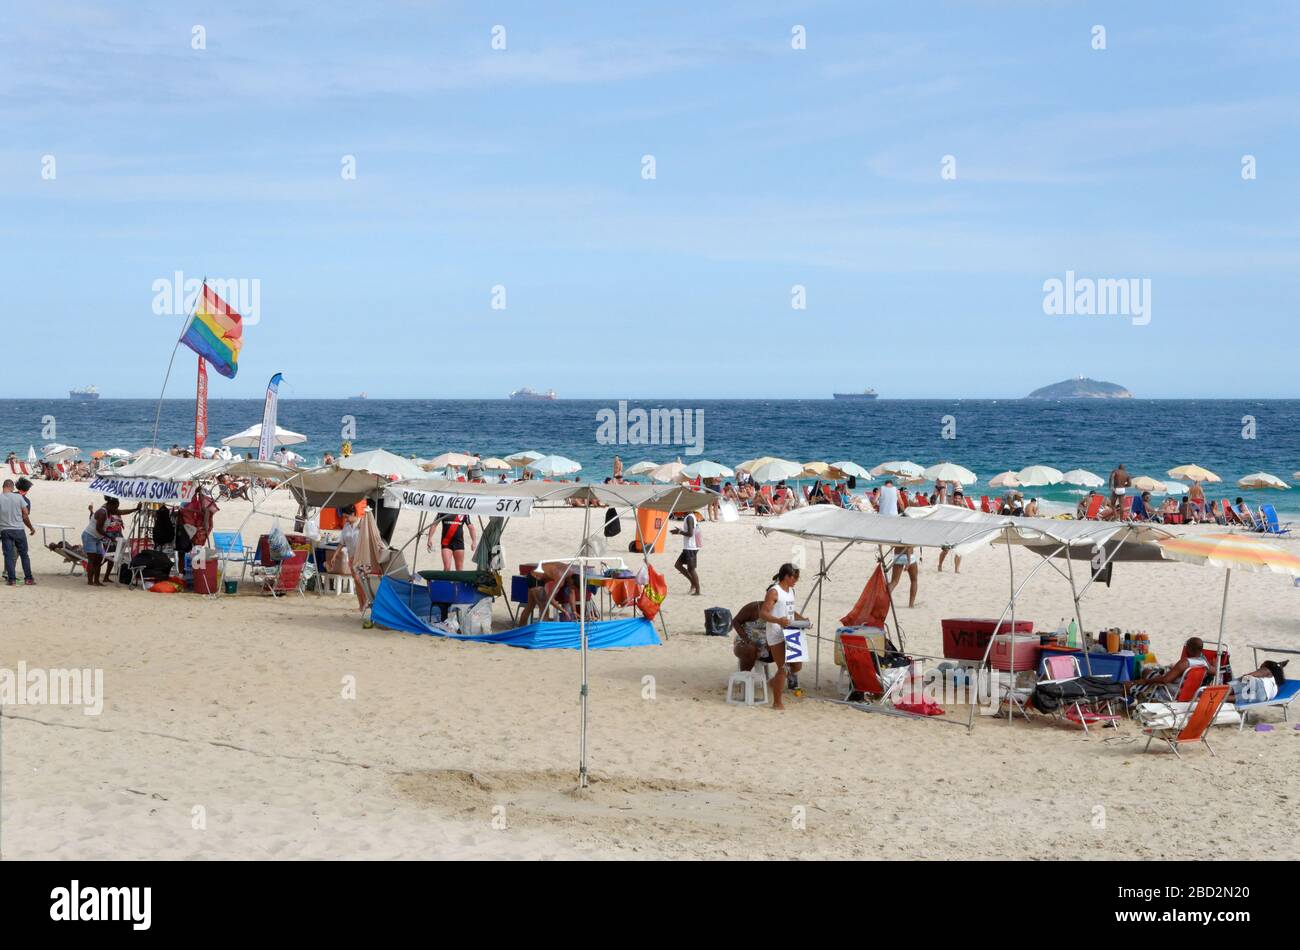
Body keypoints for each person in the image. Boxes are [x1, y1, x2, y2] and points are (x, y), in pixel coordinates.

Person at [758, 564, 806, 710]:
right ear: (787, 576)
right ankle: (777, 703)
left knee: (797, 665)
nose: (796, 580)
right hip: (776, 633)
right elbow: (763, 614)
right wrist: (778, 621)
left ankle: (773, 682)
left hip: (791, 631)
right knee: (783, 667)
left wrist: (803, 620)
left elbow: (790, 610)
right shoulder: (774, 592)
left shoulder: (791, 591)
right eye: (795, 577)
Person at [1127, 637, 1211, 699]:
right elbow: (1214, 671)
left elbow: (1165, 680)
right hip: (1185, 693)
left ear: (1189, 648)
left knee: (1127, 685)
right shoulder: (1204, 663)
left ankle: (1130, 701)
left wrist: (1145, 681)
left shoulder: (1185, 662)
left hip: (1167, 692)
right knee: (1146, 671)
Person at [82, 496, 138, 586]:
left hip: (97, 538)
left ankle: (96, 581)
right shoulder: (102, 513)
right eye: (115, 507)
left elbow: (122, 512)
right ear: (110, 505)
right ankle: (90, 581)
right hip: (89, 536)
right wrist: (110, 537)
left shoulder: (110, 510)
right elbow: (98, 528)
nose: (116, 509)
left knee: (99, 559)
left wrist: (135, 509)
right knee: (92, 559)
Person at [1, 479, 36, 586]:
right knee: (24, 555)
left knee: (8, 555)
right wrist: (30, 527)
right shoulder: (19, 497)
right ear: (12, 487)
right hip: (19, 530)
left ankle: (11, 580)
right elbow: (25, 514)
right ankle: (28, 579)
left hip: (5, 530)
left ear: (3, 486)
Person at [671, 510, 701, 595]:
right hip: (690, 546)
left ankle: (697, 590)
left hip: (691, 547)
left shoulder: (690, 517)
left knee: (691, 569)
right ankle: (693, 583)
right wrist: (679, 531)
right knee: (678, 565)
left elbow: (690, 534)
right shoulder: (690, 516)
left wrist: (679, 532)